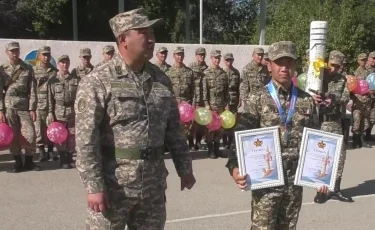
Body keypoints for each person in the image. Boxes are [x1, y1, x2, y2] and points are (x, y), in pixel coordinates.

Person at [74, 8, 196, 229]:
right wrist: (93, 186)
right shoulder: (98, 81)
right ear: (123, 39)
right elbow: (85, 139)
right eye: (143, 32)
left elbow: (174, 130)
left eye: (152, 33)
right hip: (114, 186)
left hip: (153, 186)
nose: (152, 39)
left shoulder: (160, 79)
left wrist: (184, 167)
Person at [226, 41, 328, 229]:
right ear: (269, 65)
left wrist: (321, 177)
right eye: (279, 62)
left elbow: (316, 141)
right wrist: (234, 167)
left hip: (294, 181)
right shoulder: (257, 98)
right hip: (266, 179)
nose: (284, 68)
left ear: (295, 66)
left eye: (289, 62)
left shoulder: (306, 101)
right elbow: (241, 136)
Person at [311, 50, 354, 203]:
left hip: (334, 122)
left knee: (340, 156)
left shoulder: (342, 80)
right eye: (332, 65)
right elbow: (306, 89)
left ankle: (335, 188)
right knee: (320, 156)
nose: (333, 69)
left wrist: (333, 98)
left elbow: (345, 97)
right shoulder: (317, 76)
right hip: (319, 122)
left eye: (337, 66)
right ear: (327, 62)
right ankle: (320, 191)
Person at [0, 41, 40, 173]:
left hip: (24, 105)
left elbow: (33, 90)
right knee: (13, 135)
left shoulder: (27, 68)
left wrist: (32, 108)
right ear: (7, 52)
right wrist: (1, 110)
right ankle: (17, 162)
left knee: (30, 133)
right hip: (9, 106)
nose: (15, 53)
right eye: (12, 51)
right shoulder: (2, 69)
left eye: (16, 50)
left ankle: (29, 161)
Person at [48, 55, 79, 169]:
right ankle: (63, 159)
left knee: (72, 136)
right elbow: (50, 98)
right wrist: (50, 113)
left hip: (72, 112)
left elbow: (79, 98)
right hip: (59, 112)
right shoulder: (53, 80)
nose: (64, 65)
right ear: (58, 64)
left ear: (69, 64)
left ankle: (70, 158)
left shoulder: (75, 80)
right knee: (60, 137)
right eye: (62, 63)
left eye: (66, 63)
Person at [202, 50, 231, 158]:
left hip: (221, 106)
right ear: (211, 58)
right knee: (210, 129)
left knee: (220, 129)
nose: (217, 60)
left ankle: (216, 149)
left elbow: (226, 91)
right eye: (215, 58)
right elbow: (204, 91)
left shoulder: (224, 74)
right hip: (211, 106)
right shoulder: (206, 73)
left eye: (218, 58)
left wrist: (227, 104)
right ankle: (210, 150)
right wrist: (206, 104)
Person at [165, 46, 195, 149]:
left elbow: (193, 91)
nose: (180, 56)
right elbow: (167, 90)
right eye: (178, 54)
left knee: (186, 128)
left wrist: (192, 104)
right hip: (174, 106)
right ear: (174, 56)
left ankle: (184, 147)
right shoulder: (169, 72)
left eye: (181, 54)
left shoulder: (189, 72)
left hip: (186, 106)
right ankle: (175, 147)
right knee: (173, 128)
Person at [33, 46, 58, 162]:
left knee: (51, 129)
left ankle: (51, 151)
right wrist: (31, 107)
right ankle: (42, 152)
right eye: (44, 54)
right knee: (39, 130)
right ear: (39, 56)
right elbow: (31, 90)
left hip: (51, 106)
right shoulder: (33, 71)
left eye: (48, 54)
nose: (46, 57)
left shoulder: (54, 71)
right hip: (38, 105)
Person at [189, 47, 209, 150]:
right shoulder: (191, 67)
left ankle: (198, 142)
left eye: (203, 55)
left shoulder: (207, 68)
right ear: (196, 55)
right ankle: (190, 142)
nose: (202, 56)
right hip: (194, 98)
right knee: (193, 122)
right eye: (200, 54)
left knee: (202, 122)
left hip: (204, 99)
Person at [222, 53, 240, 149]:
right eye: (227, 60)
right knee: (225, 122)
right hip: (224, 101)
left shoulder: (236, 72)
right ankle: (224, 141)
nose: (229, 62)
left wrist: (239, 98)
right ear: (224, 61)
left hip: (234, 101)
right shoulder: (221, 72)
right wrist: (225, 103)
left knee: (233, 122)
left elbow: (238, 87)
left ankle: (231, 141)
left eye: (230, 60)